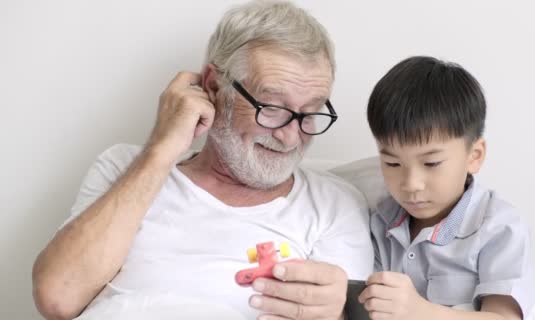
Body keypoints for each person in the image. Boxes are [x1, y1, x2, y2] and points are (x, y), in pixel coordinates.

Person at [32, 1, 373, 319]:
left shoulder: (333, 205)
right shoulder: (125, 167)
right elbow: (58, 298)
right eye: (270, 108)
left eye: (310, 112)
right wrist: (162, 148)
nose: (290, 135)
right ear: (213, 85)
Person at [358, 56, 535, 320]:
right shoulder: (380, 221)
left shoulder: (500, 228)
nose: (411, 184)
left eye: (431, 163)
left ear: (474, 156)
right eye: (392, 163)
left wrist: (420, 312)